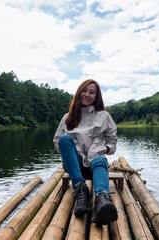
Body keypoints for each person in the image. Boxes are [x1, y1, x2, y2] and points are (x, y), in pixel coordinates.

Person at [53, 79, 118, 225]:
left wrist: (103, 149)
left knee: (100, 160)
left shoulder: (104, 116)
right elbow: (57, 143)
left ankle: (102, 199)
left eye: (92, 92)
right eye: (84, 90)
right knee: (64, 139)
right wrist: (70, 150)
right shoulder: (67, 117)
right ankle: (80, 190)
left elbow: (112, 143)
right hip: (75, 167)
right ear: (79, 92)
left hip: (95, 165)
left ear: (96, 96)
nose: (87, 94)